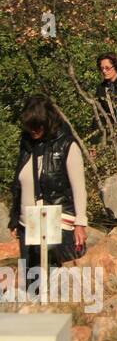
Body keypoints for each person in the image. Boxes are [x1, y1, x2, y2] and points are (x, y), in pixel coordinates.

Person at [9, 96, 87, 277]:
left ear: (48, 122)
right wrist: (14, 219)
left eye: (38, 126)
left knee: (59, 286)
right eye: (30, 126)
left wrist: (80, 224)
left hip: (58, 221)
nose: (33, 131)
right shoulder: (27, 144)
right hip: (28, 224)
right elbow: (19, 184)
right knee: (33, 286)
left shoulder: (67, 145)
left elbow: (79, 188)